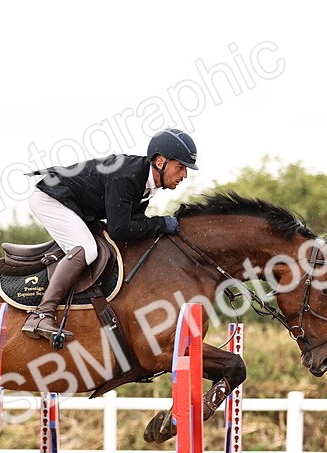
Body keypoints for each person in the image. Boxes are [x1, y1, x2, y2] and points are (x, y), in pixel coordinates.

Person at [21, 128, 198, 341]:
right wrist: (161, 223)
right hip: (50, 199)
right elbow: (119, 229)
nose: (184, 175)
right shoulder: (128, 176)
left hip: (75, 205)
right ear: (160, 162)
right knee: (87, 250)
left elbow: (135, 223)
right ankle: (41, 314)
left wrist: (164, 227)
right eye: (180, 167)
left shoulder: (146, 184)